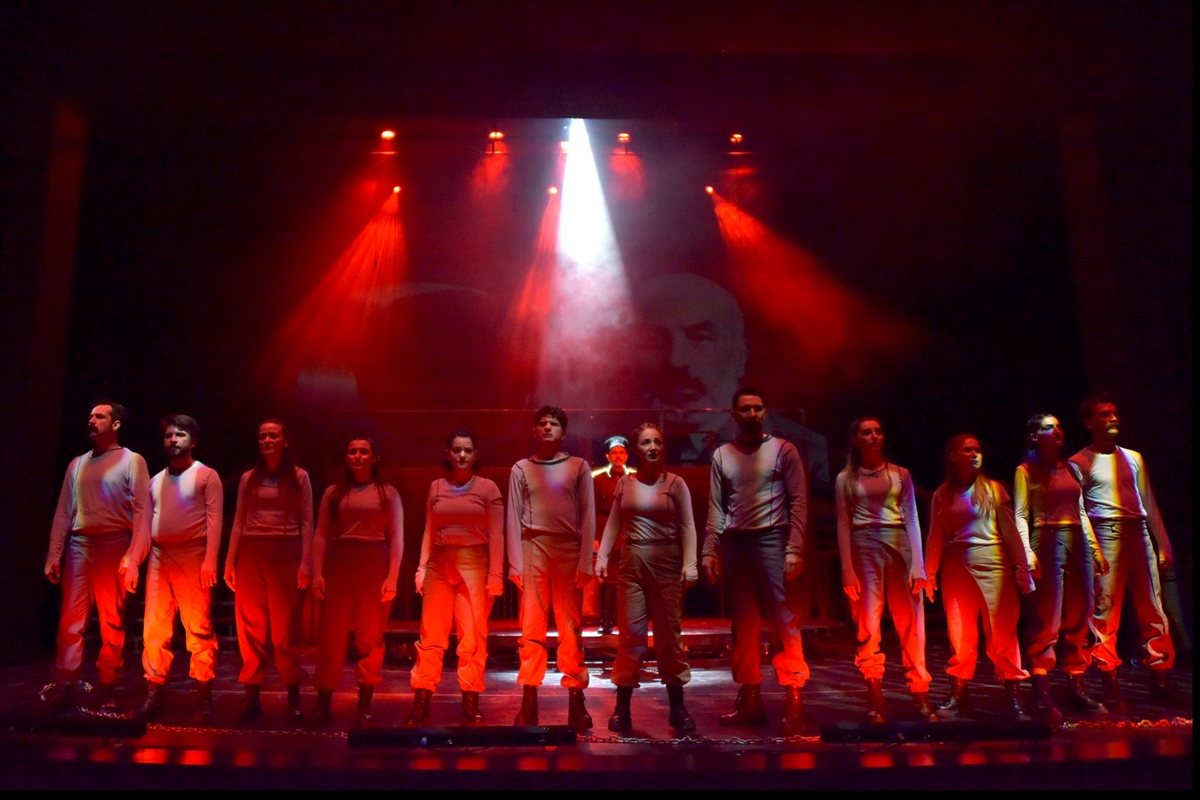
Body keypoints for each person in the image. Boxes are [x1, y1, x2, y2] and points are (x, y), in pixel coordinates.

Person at [634, 273, 830, 486]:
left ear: (740, 355)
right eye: (654, 341)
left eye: (700, 337)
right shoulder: (619, 445)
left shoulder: (806, 451)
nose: (676, 360)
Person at [700, 388, 811, 736]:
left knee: (784, 618)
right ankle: (750, 699)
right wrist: (709, 549)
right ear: (733, 414)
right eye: (745, 409)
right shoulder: (722, 454)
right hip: (737, 543)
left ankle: (794, 697)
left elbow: (799, 501)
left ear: (765, 412)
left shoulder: (783, 450)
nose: (752, 414)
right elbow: (717, 506)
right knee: (743, 625)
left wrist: (794, 547)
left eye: (758, 408)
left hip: (772, 538)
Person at [1069, 395, 1181, 709]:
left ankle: (1161, 676)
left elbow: (1148, 500)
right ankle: (1109, 680)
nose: (1113, 418)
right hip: (1106, 532)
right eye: (1104, 415)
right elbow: (1079, 511)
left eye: (1115, 413)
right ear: (1089, 423)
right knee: (1106, 610)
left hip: (1137, 531)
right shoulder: (1079, 462)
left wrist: (1162, 542)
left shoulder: (1134, 458)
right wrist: (1094, 549)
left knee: (1153, 606)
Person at [42, 401, 150, 710]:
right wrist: (54, 553)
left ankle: (108, 685)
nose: (91, 420)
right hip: (79, 545)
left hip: (113, 544)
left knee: (111, 621)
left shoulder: (132, 461)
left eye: (99, 416)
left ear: (115, 424)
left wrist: (133, 558)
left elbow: (143, 513)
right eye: (90, 415)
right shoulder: (77, 464)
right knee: (70, 620)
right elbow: (64, 511)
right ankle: (65, 683)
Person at [924, 435, 1034, 722]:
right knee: (960, 633)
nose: (974, 454)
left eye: (978, 450)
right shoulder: (942, 495)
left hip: (994, 565)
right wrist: (929, 573)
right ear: (952, 455)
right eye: (967, 449)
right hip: (956, 568)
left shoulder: (994, 490)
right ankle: (959, 693)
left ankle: (1013, 696)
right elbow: (935, 535)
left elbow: (1010, 532)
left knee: (1002, 633)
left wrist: (1022, 569)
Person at [596, 423, 698, 734]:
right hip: (633, 561)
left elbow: (688, 525)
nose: (652, 447)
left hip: (667, 561)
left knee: (669, 636)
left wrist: (690, 563)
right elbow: (614, 523)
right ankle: (622, 707)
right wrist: (602, 557)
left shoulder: (676, 483)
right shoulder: (625, 484)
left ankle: (677, 707)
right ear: (637, 450)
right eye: (645, 443)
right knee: (630, 636)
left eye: (657, 442)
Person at [835, 417, 934, 723]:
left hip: (899, 542)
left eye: (878, 431)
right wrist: (847, 569)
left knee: (912, 621)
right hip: (863, 544)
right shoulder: (846, 479)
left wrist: (919, 565)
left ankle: (919, 690)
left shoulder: (900, 474)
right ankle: (875, 692)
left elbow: (913, 518)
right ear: (856, 439)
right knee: (868, 620)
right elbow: (843, 523)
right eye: (867, 432)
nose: (875, 436)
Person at [1014, 413, 1110, 724]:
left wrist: (1094, 549)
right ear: (1034, 436)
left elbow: (1081, 511)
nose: (1056, 430)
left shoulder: (1071, 468)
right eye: (1048, 427)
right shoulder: (1025, 471)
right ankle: (1041, 686)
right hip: (1047, 538)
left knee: (1081, 612)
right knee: (1048, 614)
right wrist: (1027, 553)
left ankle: (1076, 683)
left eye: (1058, 426)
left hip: (1077, 541)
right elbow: (1020, 515)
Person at [506, 406, 596, 731]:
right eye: (542, 423)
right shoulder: (521, 468)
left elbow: (588, 513)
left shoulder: (579, 467)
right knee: (531, 626)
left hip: (568, 548)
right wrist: (515, 562)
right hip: (533, 546)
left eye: (554, 423)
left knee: (571, 625)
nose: (547, 427)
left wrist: (586, 560)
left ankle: (576, 696)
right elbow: (512, 516)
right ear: (534, 431)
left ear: (563, 431)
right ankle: (529, 698)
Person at [406, 428, 504, 726]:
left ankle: (470, 700)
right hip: (440, 561)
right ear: (448, 454)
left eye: (468, 450)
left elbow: (497, 534)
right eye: (457, 450)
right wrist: (421, 568)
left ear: (475, 455)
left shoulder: (488, 488)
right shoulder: (436, 487)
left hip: (475, 562)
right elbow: (429, 529)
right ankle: (422, 699)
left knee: (472, 635)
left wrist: (496, 573)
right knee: (431, 634)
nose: (462, 455)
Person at [224, 418, 314, 723]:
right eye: (262, 436)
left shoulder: (299, 477)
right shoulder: (248, 478)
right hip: (252, 551)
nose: (267, 440)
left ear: (285, 440)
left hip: (286, 551)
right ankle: (252, 698)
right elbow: (239, 520)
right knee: (250, 627)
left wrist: (306, 561)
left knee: (285, 631)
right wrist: (230, 561)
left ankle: (293, 698)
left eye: (273, 435)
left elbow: (307, 522)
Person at [310, 437, 403, 726]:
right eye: (352, 451)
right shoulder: (333, 493)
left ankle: (364, 699)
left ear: (375, 457)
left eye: (364, 451)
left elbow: (397, 537)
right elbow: (321, 534)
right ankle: (324, 699)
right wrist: (316, 572)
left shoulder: (387, 493)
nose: (358, 456)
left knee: (370, 634)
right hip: (340, 561)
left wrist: (392, 577)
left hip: (374, 560)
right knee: (331, 634)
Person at [138, 414, 223, 722]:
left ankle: (204, 694)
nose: (173, 440)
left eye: (180, 435)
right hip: (160, 556)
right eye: (168, 435)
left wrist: (210, 560)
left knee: (198, 627)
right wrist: (134, 561)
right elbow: (144, 525)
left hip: (192, 554)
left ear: (193, 440)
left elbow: (215, 521)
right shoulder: (154, 481)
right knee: (154, 628)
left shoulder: (206, 476)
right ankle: (154, 692)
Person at [592, 435, 634, 636]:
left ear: (626, 456)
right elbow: (592, 509)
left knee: (629, 580)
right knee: (607, 580)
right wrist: (595, 536)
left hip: (629, 532)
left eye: (621, 453)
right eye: (614, 453)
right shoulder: (598, 479)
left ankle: (627, 622)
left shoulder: (634, 477)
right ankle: (606, 621)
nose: (618, 456)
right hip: (606, 531)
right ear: (608, 456)